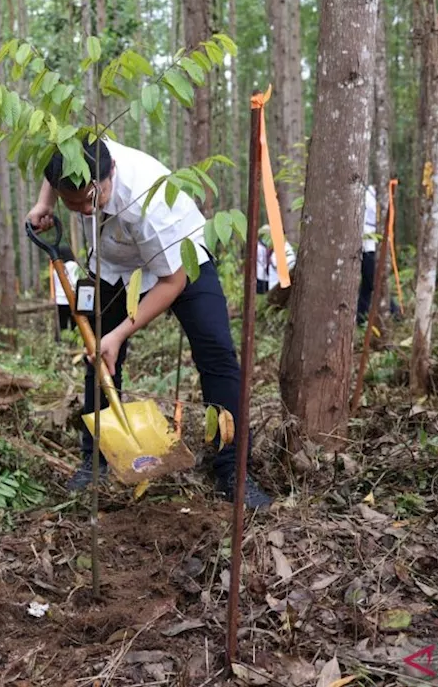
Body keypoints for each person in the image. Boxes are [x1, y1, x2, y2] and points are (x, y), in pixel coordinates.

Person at [26, 138, 273, 509]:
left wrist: (121, 330)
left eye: (90, 201)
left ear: (108, 175)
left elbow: (172, 282)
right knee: (100, 358)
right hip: (112, 262)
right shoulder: (82, 150)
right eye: (72, 205)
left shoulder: (149, 204)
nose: (83, 212)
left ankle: (231, 471)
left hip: (179, 257)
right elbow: (56, 157)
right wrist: (45, 203)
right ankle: (95, 460)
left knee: (217, 354)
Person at [356, 185, 399, 325]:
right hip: (367, 244)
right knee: (374, 280)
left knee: (368, 285)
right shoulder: (368, 195)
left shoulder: (380, 196)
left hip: (375, 243)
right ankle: (393, 311)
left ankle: (361, 316)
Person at [50, 246, 81, 334]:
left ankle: (62, 342)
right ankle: (73, 343)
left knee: (62, 323)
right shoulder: (74, 265)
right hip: (72, 298)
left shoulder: (57, 268)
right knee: (74, 323)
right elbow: (76, 281)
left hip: (60, 300)